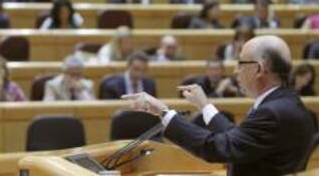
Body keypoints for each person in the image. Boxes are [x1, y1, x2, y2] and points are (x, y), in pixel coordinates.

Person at [123, 35, 315, 176]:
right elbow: (238, 140)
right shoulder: (286, 102)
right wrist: (205, 105)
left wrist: (164, 112)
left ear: (258, 69)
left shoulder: (272, 112)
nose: (235, 70)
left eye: (240, 63)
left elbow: (220, 148)